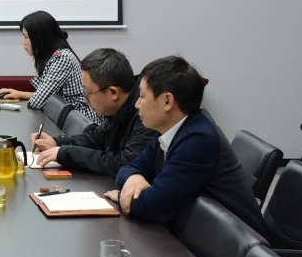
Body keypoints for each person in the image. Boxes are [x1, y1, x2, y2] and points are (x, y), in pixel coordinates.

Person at [108, 56, 266, 234]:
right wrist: (134, 177)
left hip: (234, 249)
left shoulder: (199, 140)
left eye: (142, 97)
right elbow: (128, 167)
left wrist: (123, 196)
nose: (136, 104)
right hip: (203, 238)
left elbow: (153, 207)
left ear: (167, 101)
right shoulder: (169, 128)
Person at [30, 48, 157, 177]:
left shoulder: (145, 113)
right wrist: (57, 143)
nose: (85, 99)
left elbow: (124, 164)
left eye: (88, 93)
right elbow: (97, 139)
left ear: (113, 93)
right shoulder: (119, 105)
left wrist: (65, 153)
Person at [0, 10, 99, 123]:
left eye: (26, 37)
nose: (23, 42)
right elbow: (52, 97)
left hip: (79, 122)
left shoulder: (62, 58)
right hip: (67, 118)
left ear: (39, 38)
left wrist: (28, 99)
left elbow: (37, 102)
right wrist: (21, 94)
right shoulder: (55, 56)